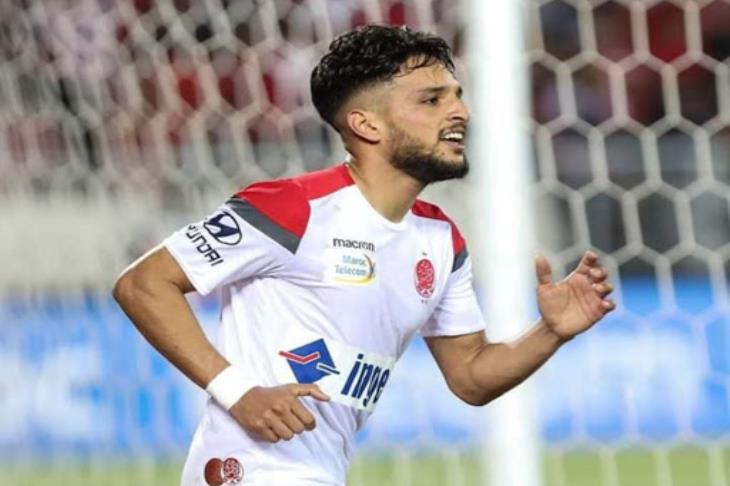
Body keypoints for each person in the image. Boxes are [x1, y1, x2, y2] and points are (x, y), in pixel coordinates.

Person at [113, 24, 615, 486]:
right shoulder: (292, 208)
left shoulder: (440, 240)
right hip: (249, 470)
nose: (459, 112)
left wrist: (550, 332)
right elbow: (142, 283)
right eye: (432, 100)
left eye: (457, 96)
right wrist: (237, 391)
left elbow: (470, 376)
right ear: (366, 125)